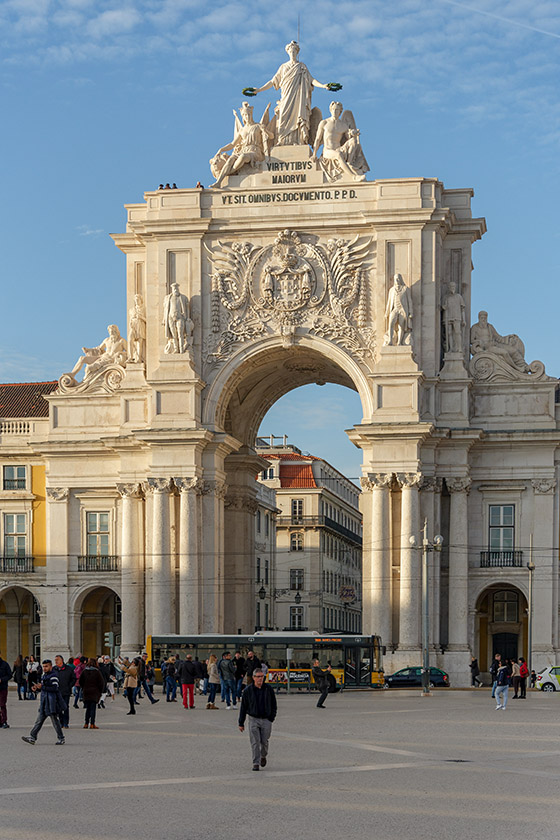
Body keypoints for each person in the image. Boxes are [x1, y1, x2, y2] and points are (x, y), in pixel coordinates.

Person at [249, 41, 333, 146]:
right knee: (283, 117)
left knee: (299, 117)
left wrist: (323, 85)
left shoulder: (301, 66)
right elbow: (273, 81)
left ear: (297, 52)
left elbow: (311, 80)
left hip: (299, 98)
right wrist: (259, 89)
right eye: (290, 51)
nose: (292, 53)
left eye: (294, 51)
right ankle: (282, 141)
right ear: (288, 52)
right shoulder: (283, 67)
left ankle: (298, 141)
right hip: (286, 96)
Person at [238, 668, 277, 771]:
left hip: (266, 719)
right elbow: (243, 707)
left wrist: (271, 717)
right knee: (255, 742)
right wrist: (241, 722)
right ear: (254, 678)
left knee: (264, 741)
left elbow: (274, 704)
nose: (260, 679)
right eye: (258, 677)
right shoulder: (248, 691)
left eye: (262, 677)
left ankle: (263, 756)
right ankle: (256, 762)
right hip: (253, 719)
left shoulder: (268, 689)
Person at [21, 659, 66, 745]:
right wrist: (37, 688)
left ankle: (61, 738)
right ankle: (33, 737)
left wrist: (42, 687)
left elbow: (55, 688)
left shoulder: (54, 676)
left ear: (50, 666)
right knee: (39, 721)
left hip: (51, 703)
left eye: (46, 666)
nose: (44, 668)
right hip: (44, 702)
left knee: (55, 722)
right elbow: (44, 688)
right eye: (43, 666)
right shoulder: (44, 675)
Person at [163, 283, 193, 355]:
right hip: (170, 318)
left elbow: (187, 309)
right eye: (174, 288)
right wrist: (164, 319)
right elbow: (165, 309)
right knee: (174, 335)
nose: (175, 289)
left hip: (180, 317)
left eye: (176, 288)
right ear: (172, 290)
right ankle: (176, 349)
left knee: (180, 333)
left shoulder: (183, 297)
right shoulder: (168, 298)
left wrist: (188, 317)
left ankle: (181, 349)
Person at [384, 273, 412, 346]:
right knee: (391, 324)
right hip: (395, 309)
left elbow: (410, 301)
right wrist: (386, 313)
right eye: (395, 279)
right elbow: (389, 302)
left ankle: (399, 342)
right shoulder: (392, 290)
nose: (397, 280)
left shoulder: (405, 289)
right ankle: (390, 340)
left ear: (401, 279)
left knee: (401, 326)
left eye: (398, 278)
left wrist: (411, 312)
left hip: (402, 310)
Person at [79, 658, 105, 729]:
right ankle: (92, 723)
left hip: (86, 691)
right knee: (93, 708)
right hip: (94, 692)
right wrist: (100, 691)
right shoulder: (97, 672)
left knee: (88, 708)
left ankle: (86, 723)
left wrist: (83, 687)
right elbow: (101, 683)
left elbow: (80, 681)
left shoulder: (84, 671)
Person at [54, 655, 76, 729]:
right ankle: (61, 722)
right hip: (57, 691)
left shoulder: (68, 669)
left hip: (66, 691)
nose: (56, 661)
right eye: (55, 660)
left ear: (62, 660)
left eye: (57, 660)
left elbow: (74, 678)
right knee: (59, 708)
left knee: (65, 707)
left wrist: (69, 686)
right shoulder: (54, 669)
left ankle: (66, 723)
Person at [0, 654, 13, 729]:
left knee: (2, 704)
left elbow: (10, 675)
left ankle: (4, 721)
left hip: (2, 687)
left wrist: (2, 680)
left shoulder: (4, 664)